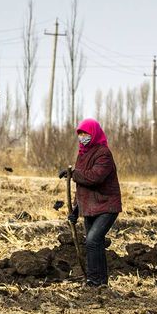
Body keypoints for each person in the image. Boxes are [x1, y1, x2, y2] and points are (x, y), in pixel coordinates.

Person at [58, 118, 121, 287]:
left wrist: (73, 174)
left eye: (86, 133)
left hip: (107, 205)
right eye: (80, 133)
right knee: (95, 243)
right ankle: (100, 282)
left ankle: (94, 281)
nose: (82, 137)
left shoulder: (103, 153)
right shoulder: (82, 155)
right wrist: (76, 211)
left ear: (94, 134)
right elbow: (82, 188)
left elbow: (95, 177)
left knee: (93, 240)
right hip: (90, 207)